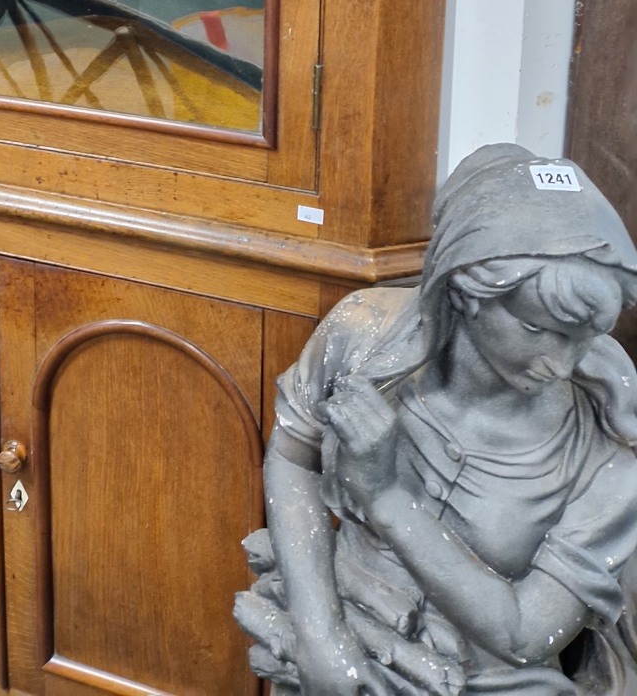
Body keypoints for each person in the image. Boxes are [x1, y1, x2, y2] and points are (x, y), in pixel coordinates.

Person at [235, 144, 637, 695]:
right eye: (540, 330)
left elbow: (523, 635)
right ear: (466, 289)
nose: (561, 364)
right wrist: (321, 638)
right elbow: (292, 455)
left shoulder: (607, 451)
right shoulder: (362, 335)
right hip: (343, 639)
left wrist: (385, 497)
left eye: (585, 336)